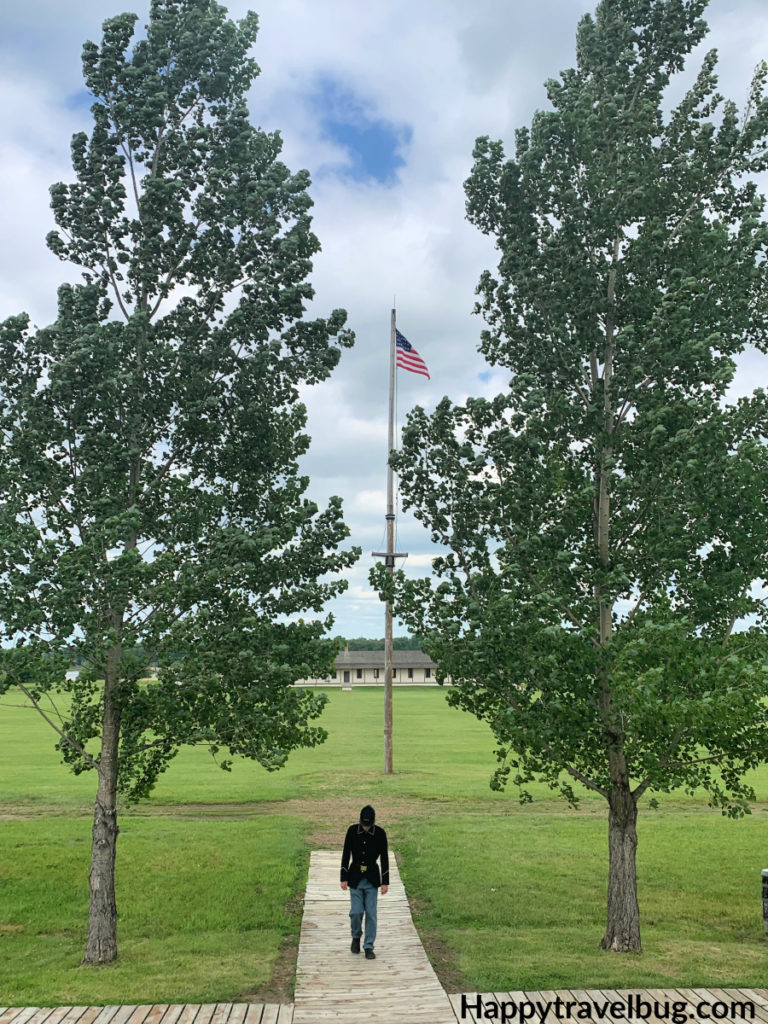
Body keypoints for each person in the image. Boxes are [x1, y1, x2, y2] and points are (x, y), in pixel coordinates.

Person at [340, 804, 389, 959]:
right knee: (356, 912)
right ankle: (356, 937)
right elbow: (346, 853)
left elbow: (385, 857)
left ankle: (368, 946)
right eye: (364, 824)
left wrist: (385, 881)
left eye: (369, 825)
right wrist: (343, 877)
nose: (366, 827)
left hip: (372, 878)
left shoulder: (380, 833)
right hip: (355, 877)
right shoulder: (352, 831)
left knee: (371, 914)